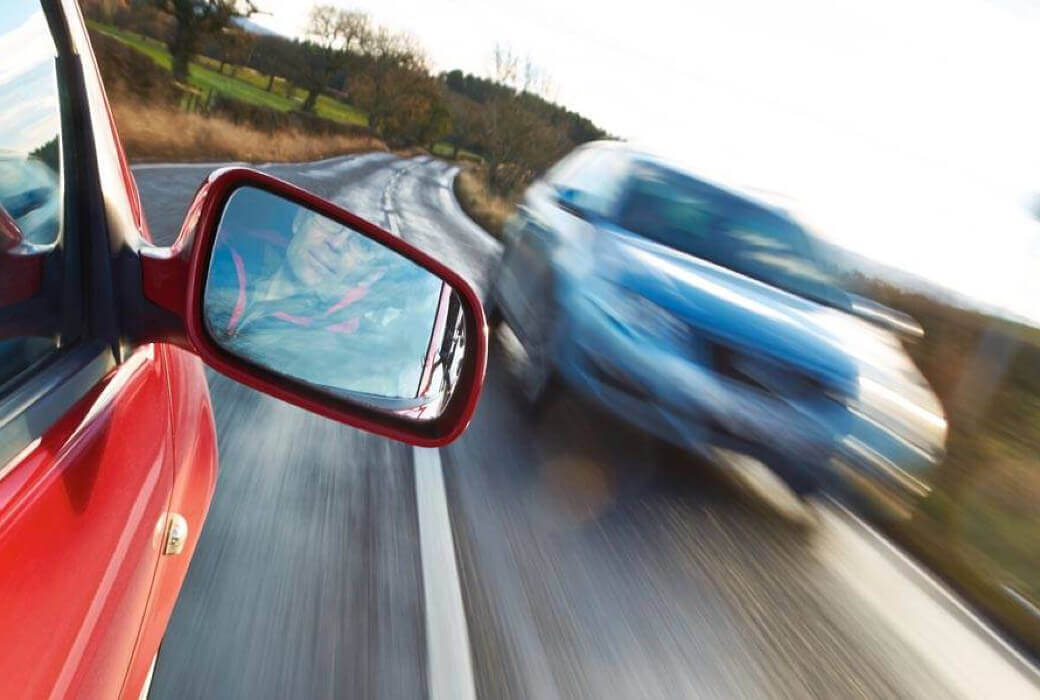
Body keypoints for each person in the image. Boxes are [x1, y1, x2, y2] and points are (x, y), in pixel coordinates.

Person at [204, 191, 443, 399]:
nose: (337, 245)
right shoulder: (217, 258)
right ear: (300, 220)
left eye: (362, 244)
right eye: (331, 221)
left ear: (369, 274)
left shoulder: (348, 354)